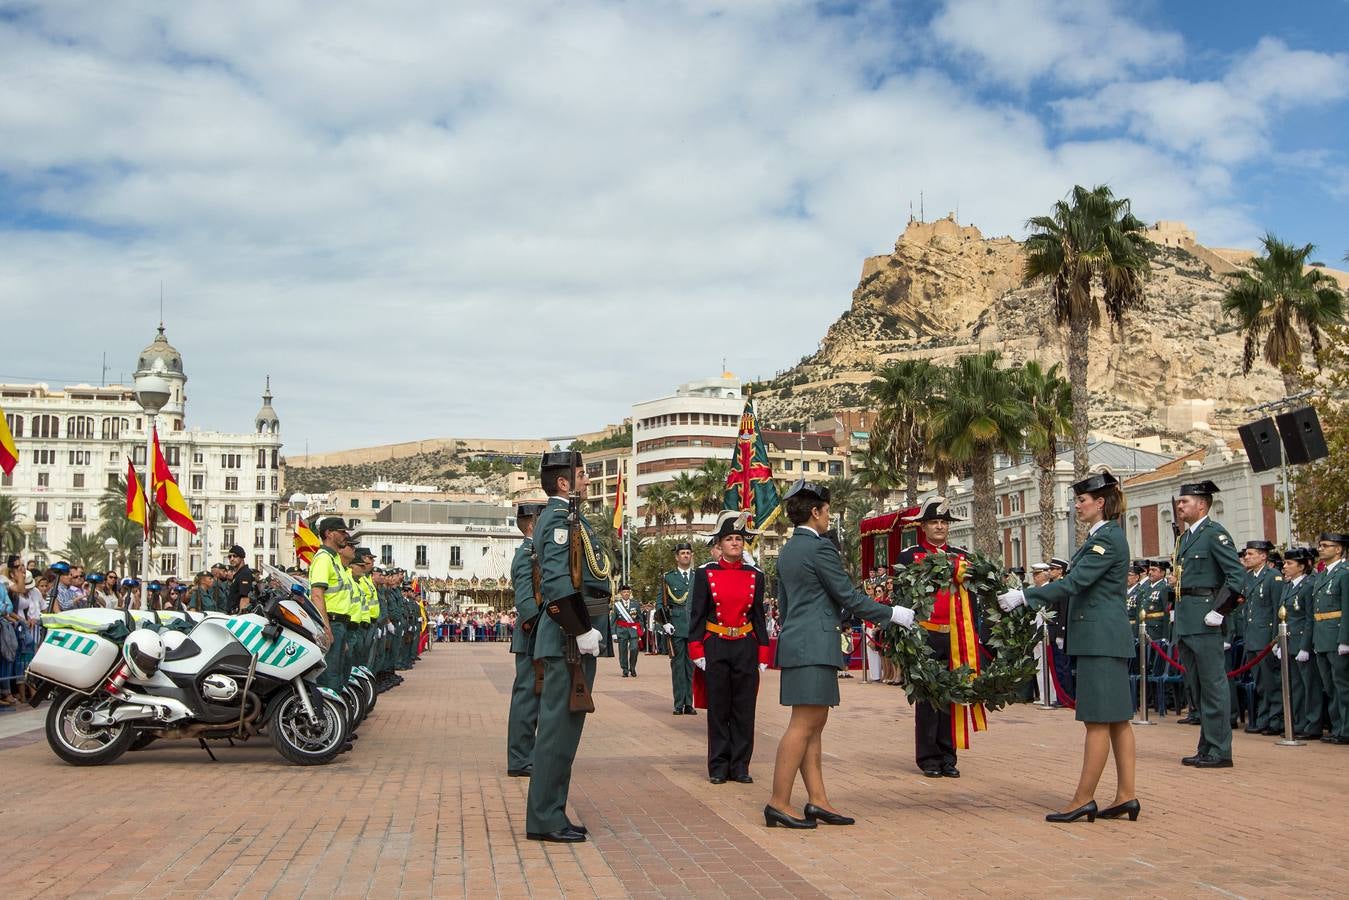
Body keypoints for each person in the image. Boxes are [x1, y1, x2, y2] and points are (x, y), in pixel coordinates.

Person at [765, 480, 917, 829]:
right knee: (802, 725)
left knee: (814, 726)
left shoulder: (789, 550)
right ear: (816, 512)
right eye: (827, 511)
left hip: (801, 641)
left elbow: (786, 607)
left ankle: (817, 800)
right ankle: (779, 801)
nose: (828, 516)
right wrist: (893, 613)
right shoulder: (819, 549)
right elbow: (848, 595)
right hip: (814, 643)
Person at [1000, 470, 1138, 822]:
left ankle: (1083, 798)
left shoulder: (1105, 539)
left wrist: (1024, 596)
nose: (1077, 506)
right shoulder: (1102, 537)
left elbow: (1074, 582)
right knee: (1118, 720)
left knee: (1097, 720)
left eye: (1082, 500)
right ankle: (1126, 795)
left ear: (1100, 503)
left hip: (1099, 640)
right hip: (1104, 637)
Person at [525, 451, 613, 843]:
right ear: (563, 483)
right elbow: (559, 581)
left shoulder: (571, 517)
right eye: (581, 474)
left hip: (572, 635)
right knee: (557, 732)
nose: (587, 479)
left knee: (567, 731)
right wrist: (579, 630)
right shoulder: (558, 519)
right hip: (566, 637)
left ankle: (553, 811)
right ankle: (544, 818)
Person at [895, 497, 976, 778]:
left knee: (952, 696)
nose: (940, 527)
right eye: (934, 522)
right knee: (928, 698)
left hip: (955, 636)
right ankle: (928, 757)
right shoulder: (910, 556)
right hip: (924, 635)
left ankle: (948, 757)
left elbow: (973, 599)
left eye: (944, 522)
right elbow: (902, 598)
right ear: (923, 527)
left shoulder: (962, 557)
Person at [689, 511, 770, 785]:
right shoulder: (704, 574)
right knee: (719, 708)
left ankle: (741, 766)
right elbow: (697, 615)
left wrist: (763, 650)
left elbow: (759, 616)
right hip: (717, 645)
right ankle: (719, 767)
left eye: (739, 539)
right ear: (719, 544)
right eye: (729, 539)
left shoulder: (755, 576)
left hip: (745, 645)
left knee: (744, 709)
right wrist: (696, 649)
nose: (735, 543)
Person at [1172, 480, 1246, 769]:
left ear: (1202, 504)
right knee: (1197, 687)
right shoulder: (1185, 538)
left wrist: (1220, 611)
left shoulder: (1214, 534)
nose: (1180, 506)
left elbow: (1236, 576)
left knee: (1214, 686)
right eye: (1179, 502)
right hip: (1187, 618)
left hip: (1206, 618)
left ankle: (1220, 750)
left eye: (1185, 502)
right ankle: (1206, 746)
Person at [506, 502, 546, 778]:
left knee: (534, 697)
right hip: (532, 633)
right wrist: (540, 626)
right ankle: (520, 758)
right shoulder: (527, 554)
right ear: (532, 525)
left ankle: (528, 754)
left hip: (537, 632)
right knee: (526, 698)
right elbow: (524, 599)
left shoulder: (536, 552)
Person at [1239, 540, 1283, 735]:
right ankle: (1263, 717)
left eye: (1251, 554)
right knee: (1260, 683)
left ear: (1263, 556)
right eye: (1246, 554)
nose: (1247, 557)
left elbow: (1277, 610)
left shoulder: (1273, 577)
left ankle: (1276, 719)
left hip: (1267, 637)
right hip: (1253, 637)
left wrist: (1276, 640)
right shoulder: (1249, 578)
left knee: (1271, 682)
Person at [1309, 533, 1349, 745]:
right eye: (1320, 545)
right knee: (1330, 685)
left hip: (1337, 636)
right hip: (1322, 637)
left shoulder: (1344, 573)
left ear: (1339, 549)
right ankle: (1337, 727)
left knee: (1343, 685)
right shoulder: (1322, 575)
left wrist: (1345, 639)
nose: (1321, 549)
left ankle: (1346, 728)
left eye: (1326, 545)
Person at [307, 519, 354, 694]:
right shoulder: (323, 559)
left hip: (340, 623)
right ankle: (327, 717)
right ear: (329, 533)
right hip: (331, 622)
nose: (345, 535)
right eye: (341, 532)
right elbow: (317, 594)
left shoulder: (334, 560)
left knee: (339, 674)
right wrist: (326, 627)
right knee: (330, 676)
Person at [1280, 547, 1321, 740]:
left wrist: (1305, 646)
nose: (1285, 567)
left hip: (1302, 642)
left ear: (1302, 566)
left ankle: (1313, 724)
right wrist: (1278, 642)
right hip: (1289, 640)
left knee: (1309, 685)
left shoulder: (1309, 585)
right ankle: (1297, 722)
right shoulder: (1288, 586)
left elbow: (1308, 618)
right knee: (1294, 686)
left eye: (1289, 563)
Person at [659, 542, 696, 715]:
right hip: (676, 625)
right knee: (678, 667)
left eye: (688, 553)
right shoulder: (669, 577)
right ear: (677, 557)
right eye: (682, 553)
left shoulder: (698, 576)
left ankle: (689, 703)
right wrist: (665, 622)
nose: (686, 555)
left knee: (691, 667)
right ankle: (678, 703)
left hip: (694, 625)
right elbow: (661, 603)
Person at [610, 584, 642, 677]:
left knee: (634, 648)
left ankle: (632, 667)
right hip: (622, 631)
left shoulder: (635, 604)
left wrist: (641, 629)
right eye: (624, 592)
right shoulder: (617, 605)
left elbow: (640, 619)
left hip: (633, 630)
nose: (626, 593)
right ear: (621, 593)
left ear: (630, 593)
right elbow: (613, 621)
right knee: (623, 651)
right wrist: (614, 634)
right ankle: (624, 669)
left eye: (628, 592)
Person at [225, 546, 256, 614]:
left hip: (237, 615)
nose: (232, 559)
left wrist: (241, 617)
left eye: (235, 556)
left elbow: (244, 598)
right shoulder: (239, 574)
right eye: (229, 557)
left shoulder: (244, 574)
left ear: (242, 557)